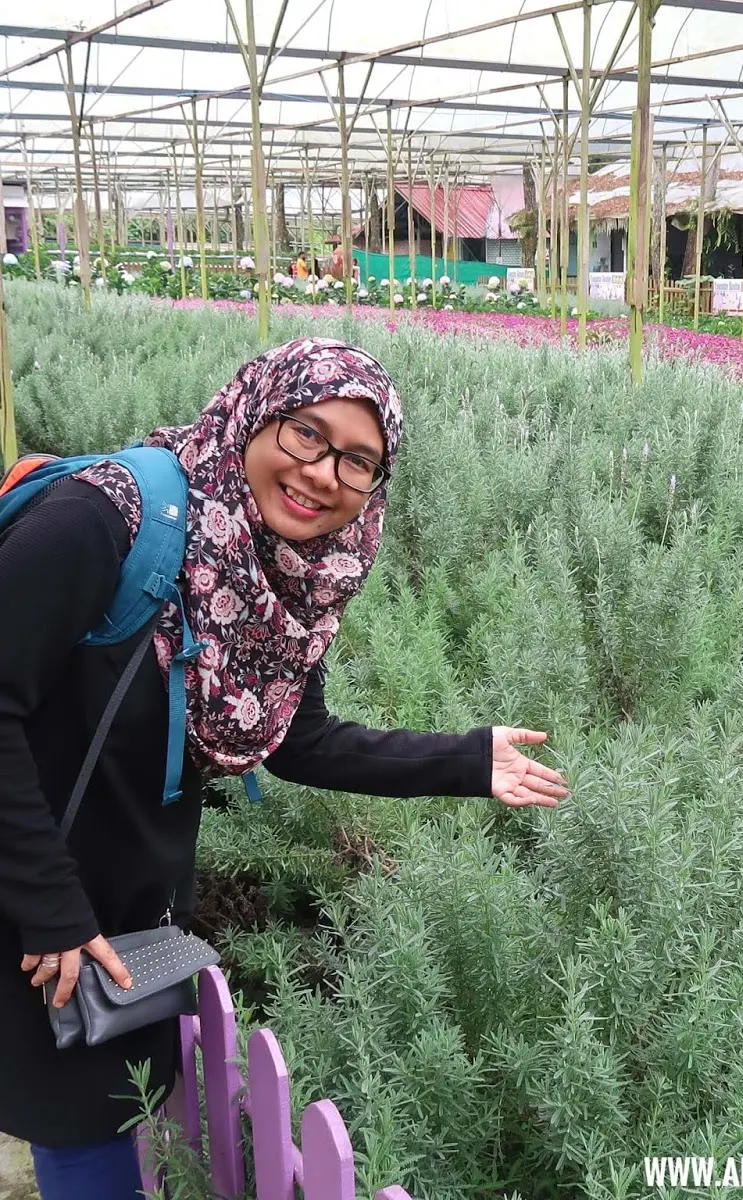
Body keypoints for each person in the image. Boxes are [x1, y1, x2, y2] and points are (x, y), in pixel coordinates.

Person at [0, 338, 569, 1200]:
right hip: (36, 899)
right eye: (307, 433)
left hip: (120, 920)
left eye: (359, 462)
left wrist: (465, 759)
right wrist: (48, 908)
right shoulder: (103, 520)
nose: (324, 474)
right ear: (254, 411)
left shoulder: (280, 579)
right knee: (84, 1135)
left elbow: (300, 738)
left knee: (103, 1123)